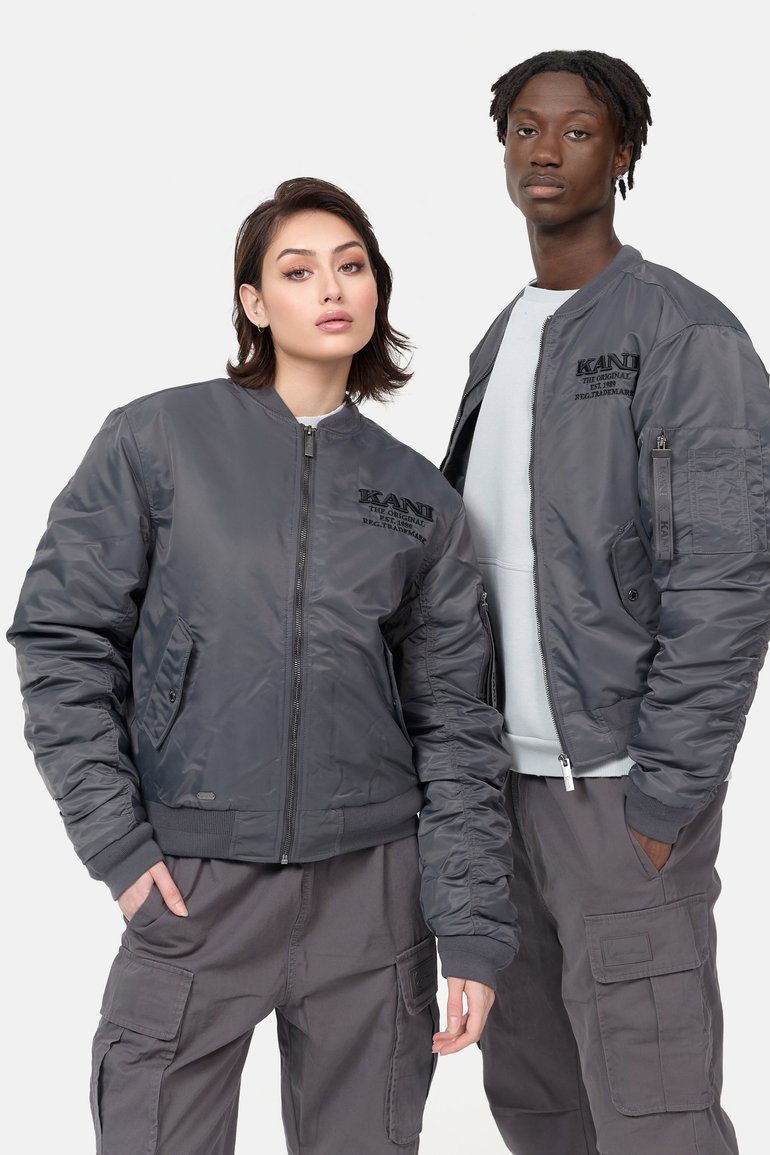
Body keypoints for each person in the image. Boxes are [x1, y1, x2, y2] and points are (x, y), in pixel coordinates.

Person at [7, 176, 518, 1155]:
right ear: (252, 302)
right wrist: (119, 846)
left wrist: (472, 925)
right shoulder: (156, 441)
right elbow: (63, 639)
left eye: (351, 265)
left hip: (373, 893)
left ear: (376, 290)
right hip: (195, 881)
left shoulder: (417, 498)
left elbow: (456, 721)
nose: (330, 287)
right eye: (297, 270)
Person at [440, 49, 770, 1155]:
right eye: (524, 129)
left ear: (623, 152)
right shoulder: (500, 338)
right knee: (536, 1102)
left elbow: (730, 579)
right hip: (499, 794)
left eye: (577, 130)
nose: (544, 151)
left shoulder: (682, 333)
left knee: (654, 1113)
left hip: (616, 793)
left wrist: (663, 797)